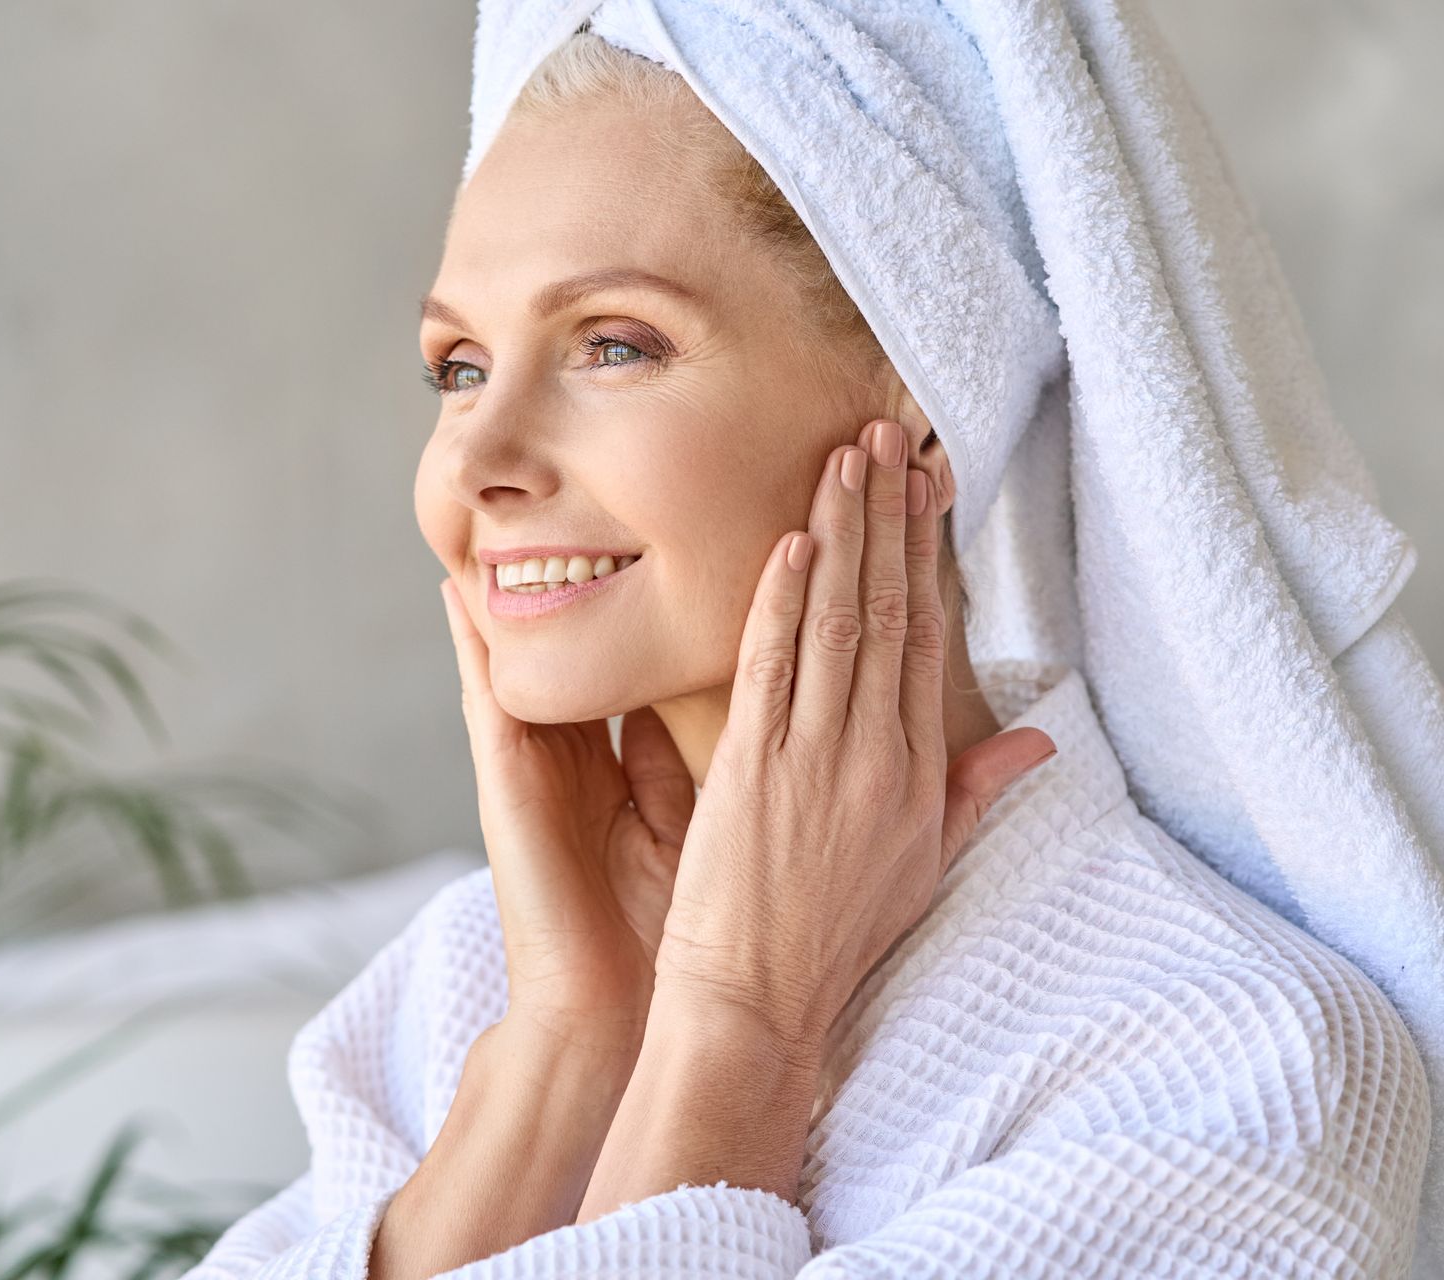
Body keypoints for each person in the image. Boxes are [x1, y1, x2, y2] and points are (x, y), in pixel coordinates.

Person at [185, 5, 1439, 1277]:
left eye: (612, 345)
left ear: (919, 418)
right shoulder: (466, 983)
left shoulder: (1245, 1069)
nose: (476, 460)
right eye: (458, 366)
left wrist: (740, 1027)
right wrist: (568, 1042)